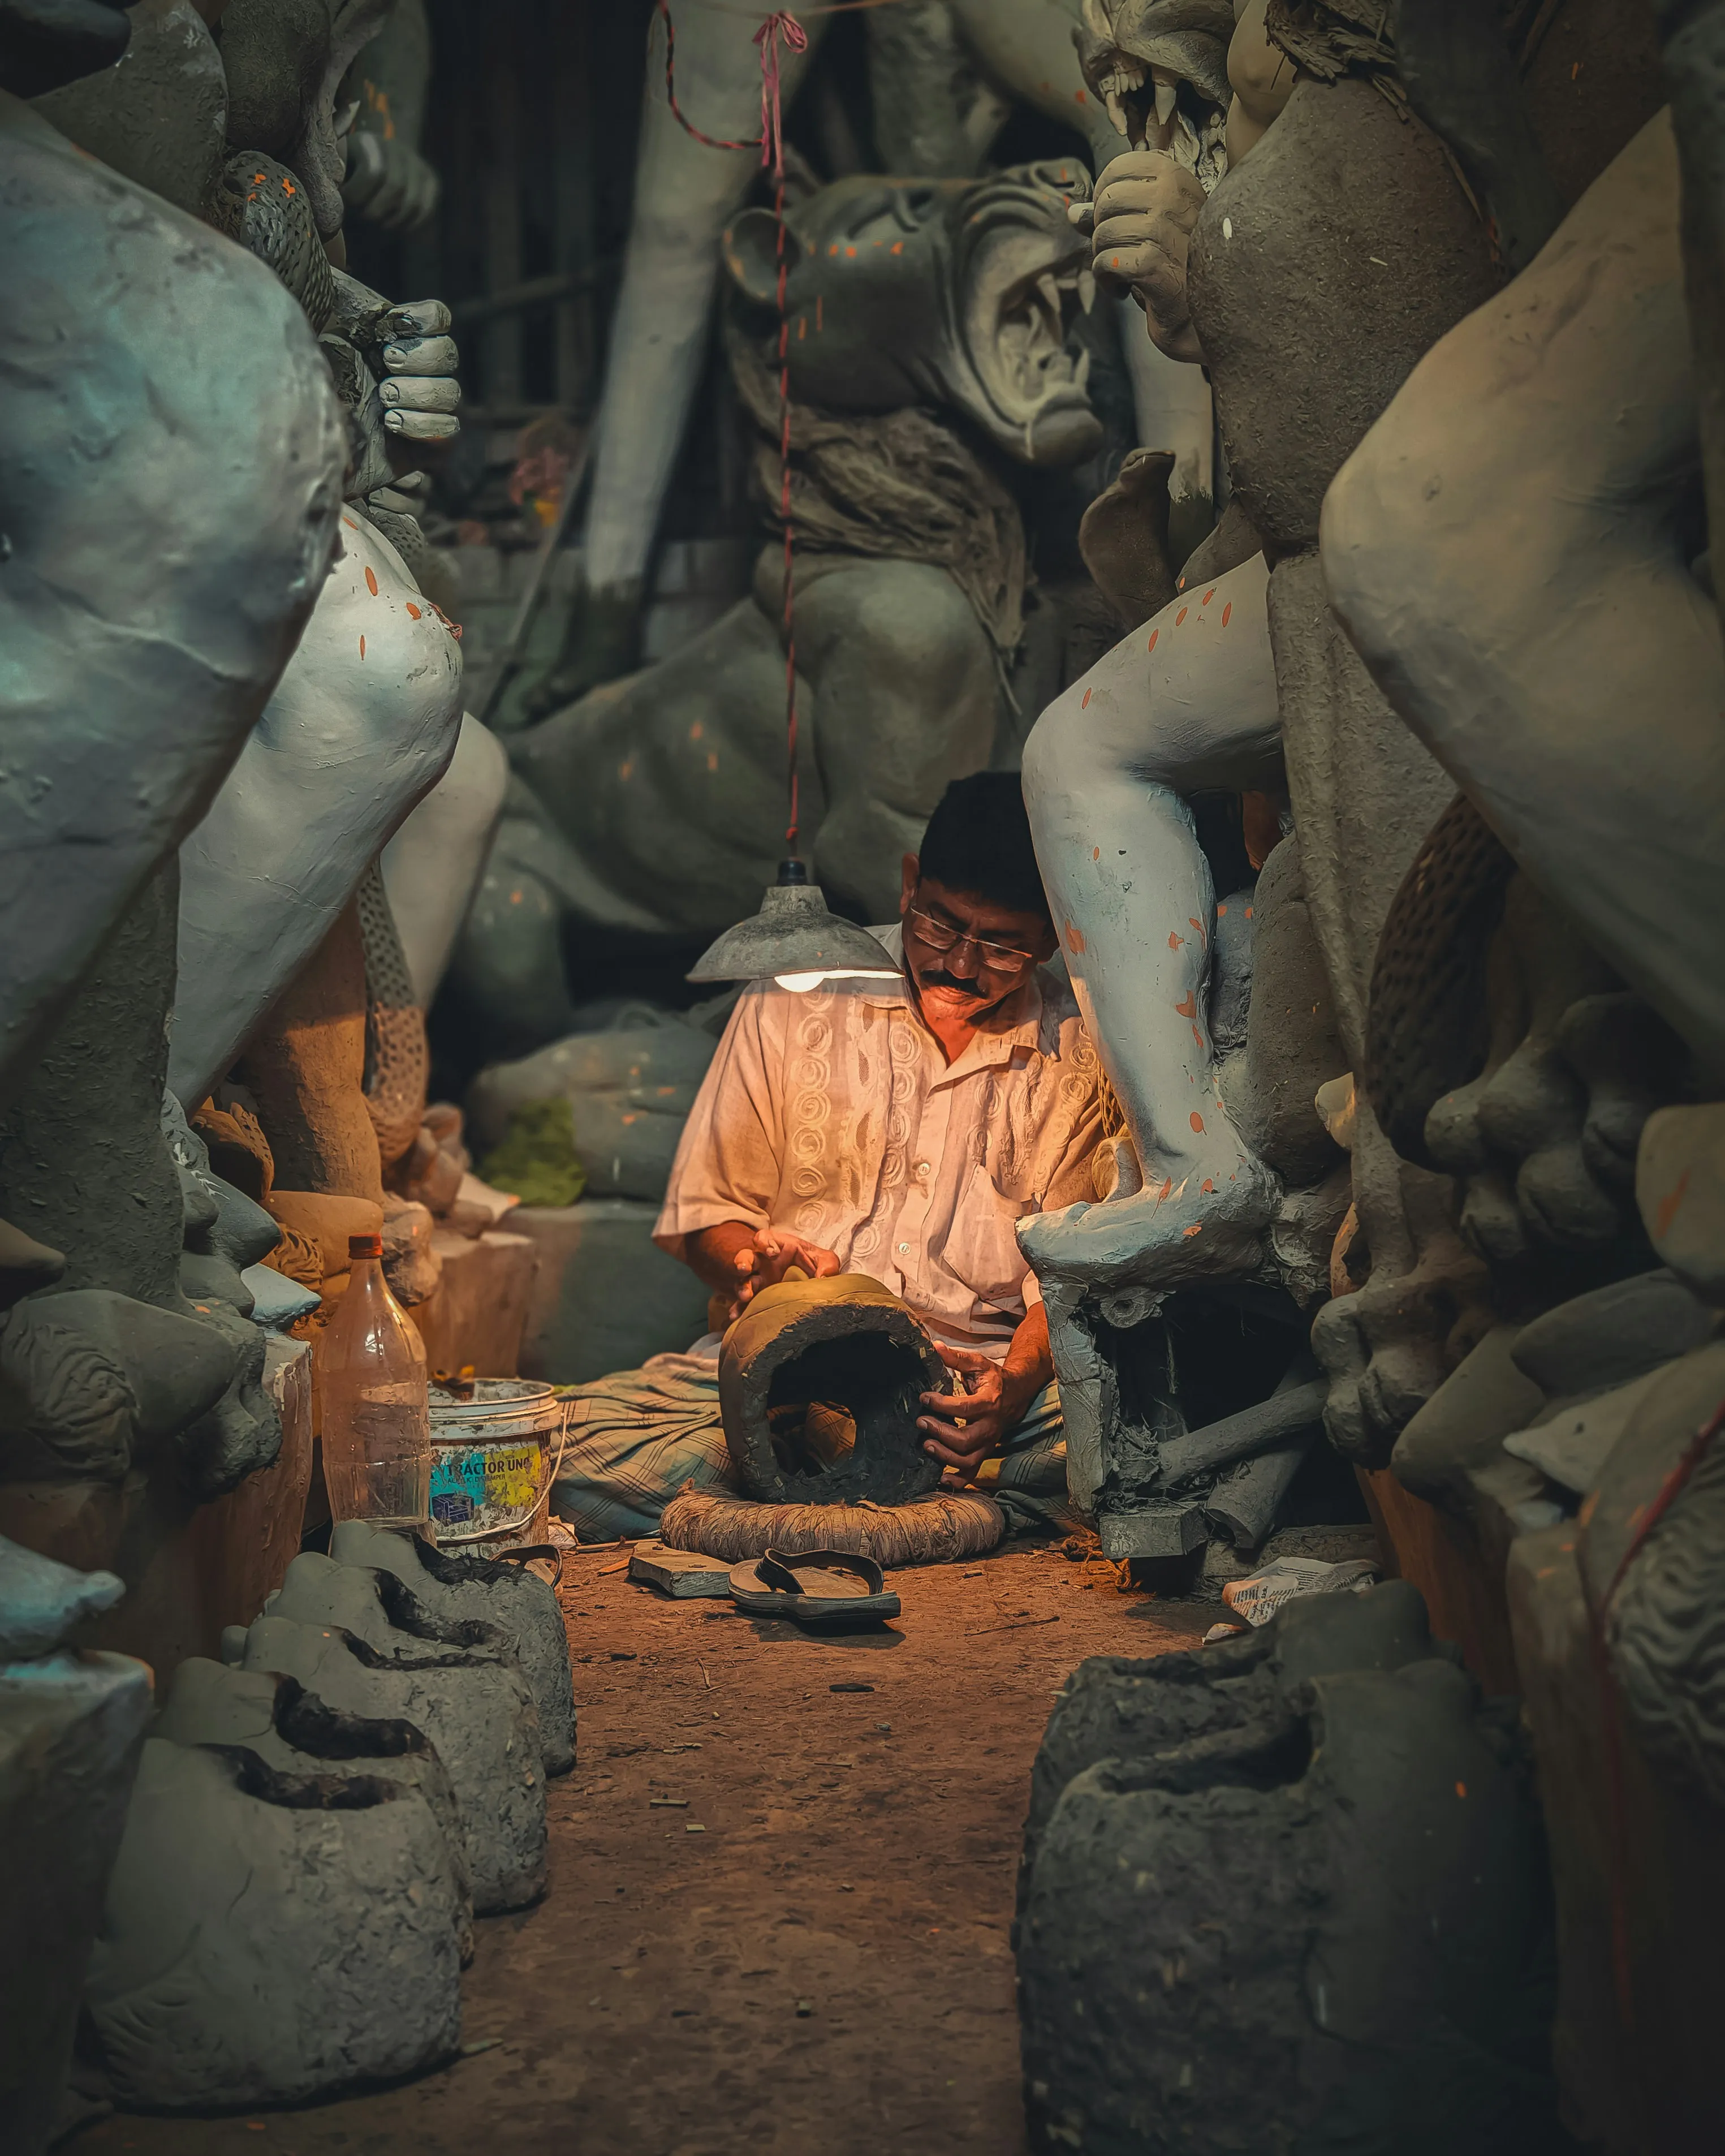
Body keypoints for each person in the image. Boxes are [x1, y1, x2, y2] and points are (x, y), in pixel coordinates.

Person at [552, 772, 1106, 1540]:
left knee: (1120, 1434)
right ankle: (916, 1504)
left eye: (1001, 948)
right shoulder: (800, 989)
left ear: (1049, 937)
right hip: (783, 1378)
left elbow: (1073, 1280)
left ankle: (791, 1503)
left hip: (965, 1396)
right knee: (558, 1445)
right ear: (909, 884)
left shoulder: (1081, 1046)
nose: (959, 966)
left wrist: (1009, 1388)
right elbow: (703, 1217)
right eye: (941, 927)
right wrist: (753, 1263)